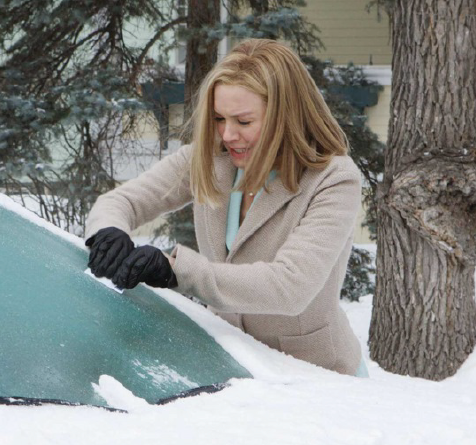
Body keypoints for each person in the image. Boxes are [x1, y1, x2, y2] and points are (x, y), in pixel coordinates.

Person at [84, 39, 367, 377]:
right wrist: (108, 231)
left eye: (244, 122)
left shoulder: (332, 179)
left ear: (285, 116)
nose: (228, 134)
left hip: (315, 376)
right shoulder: (209, 157)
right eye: (219, 118)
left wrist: (176, 271)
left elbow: (291, 287)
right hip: (230, 369)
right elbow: (121, 201)